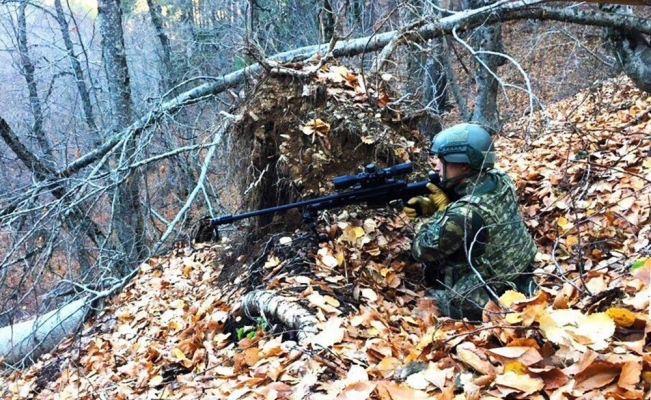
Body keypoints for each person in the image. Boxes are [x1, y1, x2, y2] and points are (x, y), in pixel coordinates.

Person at [404, 123, 537, 321]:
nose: (436, 166)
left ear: (464, 165)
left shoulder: (463, 215)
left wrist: (433, 215)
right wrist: (447, 205)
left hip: (489, 297)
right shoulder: (501, 179)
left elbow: (421, 249)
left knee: (425, 304)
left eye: (443, 160)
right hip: (522, 271)